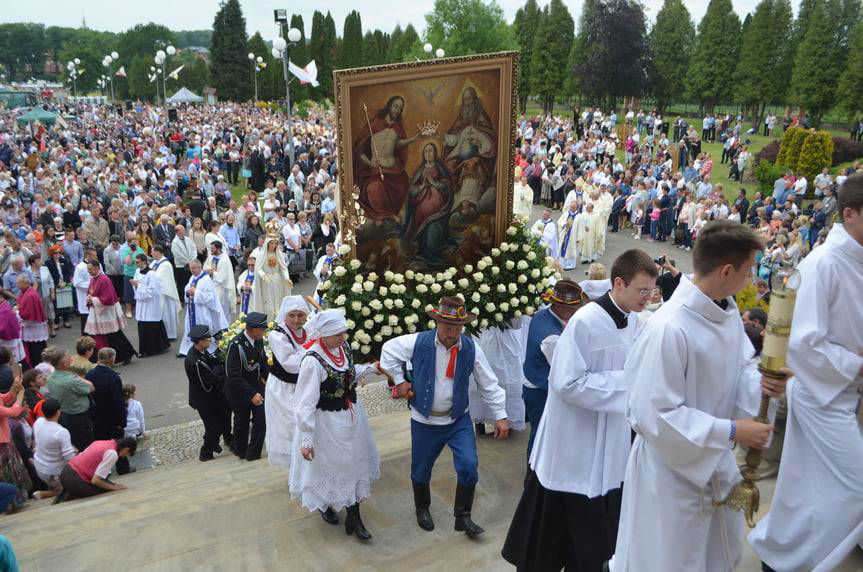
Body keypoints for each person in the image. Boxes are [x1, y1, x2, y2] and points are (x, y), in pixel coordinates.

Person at [612, 221, 789, 572]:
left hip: (714, 467)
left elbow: (740, 371)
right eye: (748, 270)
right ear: (726, 270)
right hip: (670, 478)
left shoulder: (727, 313)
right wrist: (733, 431)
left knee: (715, 558)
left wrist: (764, 385)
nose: (751, 279)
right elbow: (655, 415)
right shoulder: (669, 328)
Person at [503, 250, 658, 571]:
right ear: (619, 283)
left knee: (593, 547)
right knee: (547, 545)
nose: (648, 297)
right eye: (642, 290)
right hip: (572, 449)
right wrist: (629, 383)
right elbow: (566, 382)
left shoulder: (635, 323)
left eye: (651, 291)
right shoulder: (586, 321)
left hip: (609, 447)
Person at [749, 174, 863, 571]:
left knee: (805, 488)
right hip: (821, 395)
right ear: (850, 214)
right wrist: (859, 364)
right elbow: (806, 343)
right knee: (856, 488)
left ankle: (779, 556)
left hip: (842, 393)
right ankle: (790, 559)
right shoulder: (824, 264)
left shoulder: (856, 259)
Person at [380, 296, 509, 538]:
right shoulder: (418, 342)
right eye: (447, 327)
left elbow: (488, 383)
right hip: (425, 421)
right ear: (437, 323)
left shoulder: (471, 347)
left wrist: (500, 415)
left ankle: (463, 517)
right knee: (421, 468)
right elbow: (387, 351)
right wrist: (399, 381)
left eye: (457, 328)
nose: (452, 333)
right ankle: (422, 508)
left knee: (469, 465)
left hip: (458, 419)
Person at [289, 309, 380, 539]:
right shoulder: (312, 361)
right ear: (324, 334)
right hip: (326, 423)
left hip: (350, 417)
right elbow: (305, 403)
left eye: (343, 333)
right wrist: (307, 439)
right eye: (337, 334)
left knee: (354, 463)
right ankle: (327, 505)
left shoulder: (343, 348)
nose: (342, 338)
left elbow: (348, 374)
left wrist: (369, 368)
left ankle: (353, 516)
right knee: (330, 466)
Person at [520, 280, 587, 460]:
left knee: (540, 431)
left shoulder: (541, 315)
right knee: (540, 434)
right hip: (539, 390)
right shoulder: (551, 338)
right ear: (560, 307)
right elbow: (566, 370)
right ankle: (533, 475)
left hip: (534, 380)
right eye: (574, 309)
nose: (576, 312)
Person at [265, 296, 309, 471]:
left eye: (300, 315)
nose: (296, 319)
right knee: (288, 426)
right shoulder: (278, 335)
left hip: (303, 385)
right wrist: (312, 354)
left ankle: (307, 464)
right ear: (285, 315)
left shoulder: (309, 329)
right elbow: (290, 364)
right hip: (283, 388)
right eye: (292, 315)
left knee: (306, 424)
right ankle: (294, 467)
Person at [224, 311, 270, 461]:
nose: (264, 333)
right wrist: (251, 394)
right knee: (241, 422)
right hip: (239, 391)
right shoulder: (236, 346)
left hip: (255, 386)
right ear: (254, 330)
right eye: (263, 330)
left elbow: (262, 362)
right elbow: (233, 375)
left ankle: (254, 453)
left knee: (261, 419)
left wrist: (270, 381)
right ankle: (240, 450)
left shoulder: (258, 340)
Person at [183, 325, 232, 462]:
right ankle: (206, 453)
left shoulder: (201, 351)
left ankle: (217, 443)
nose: (210, 340)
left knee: (224, 420)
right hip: (204, 399)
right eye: (207, 338)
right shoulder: (195, 361)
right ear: (199, 341)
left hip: (212, 397)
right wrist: (226, 375)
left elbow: (212, 360)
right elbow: (209, 382)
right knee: (213, 428)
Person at [85, 348, 132, 475]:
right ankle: (123, 468)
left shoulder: (90, 374)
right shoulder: (112, 377)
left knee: (101, 445)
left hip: (97, 416)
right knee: (118, 444)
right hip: (111, 418)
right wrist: (122, 420)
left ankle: (104, 471)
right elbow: (118, 401)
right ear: (112, 359)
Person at [84, 258, 137, 365]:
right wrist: (89, 298)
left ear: (97, 268)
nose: (88, 271)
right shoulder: (93, 279)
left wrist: (92, 299)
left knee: (114, 336)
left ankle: (127, 354)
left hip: (107, 312)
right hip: (98, 312)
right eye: (88, 269)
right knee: (103, 337)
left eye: (90, 269)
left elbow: (107, 299)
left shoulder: (104, 280)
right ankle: (105, 359)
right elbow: (91, 292)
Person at [57, 437, 137, 501]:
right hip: (74, 480)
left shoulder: (100, 442)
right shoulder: (112, 453)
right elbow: (96, 480)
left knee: (106, 483)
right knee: (103, 488)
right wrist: (114, 487)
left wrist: (112, 485)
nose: (123, 456)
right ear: (127, 449)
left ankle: (71, 491)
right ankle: (73, 493)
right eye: (127, 454)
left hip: (65, 471)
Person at [46, 348, 95, 451]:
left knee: (75, 441)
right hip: (78, 417)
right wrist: (77, 376)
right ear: (64, 364)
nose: (71, 359)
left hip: (64, 414)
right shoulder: (71, 380)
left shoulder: (50, 378)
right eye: (69, 358)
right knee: (86, 445)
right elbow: (91, 387)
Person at [178, 259, 228, 357]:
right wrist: (188, 293)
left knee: (203, 329)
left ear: (199, 267)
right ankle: (188, 349)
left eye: (193, 268)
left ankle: (207, 349)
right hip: (192, 309)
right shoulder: (192, 277)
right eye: (190, 268)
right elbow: (187, 290)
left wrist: (196, 292)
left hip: (202, 311)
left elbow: (209, 297)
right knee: (189, 328)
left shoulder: (206, 279)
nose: (191, 270)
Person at [33, 398, 76, 496]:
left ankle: (56, 488)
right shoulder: (61, 432)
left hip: (39, 466)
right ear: (58, 412)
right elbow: (69, 457)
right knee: (70, 491)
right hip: (54, 471)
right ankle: (43, 494)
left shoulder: (38, 422)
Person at [0, 375, 31, 511]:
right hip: (1, 443)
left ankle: (17, 500)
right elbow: (13, 412)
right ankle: (12, 503)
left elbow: (4, 398)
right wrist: (21, 394)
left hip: (5, 438)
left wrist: (13, 389)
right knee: (7, 472)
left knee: (13, 470)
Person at [130, 254, 170, 357]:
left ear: (144, 261)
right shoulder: (137, 271)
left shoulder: (151, 274)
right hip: (141, 303)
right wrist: (136, 286)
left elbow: (152, 291)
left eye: (138, 262)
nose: (136, 264)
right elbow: (136, 286)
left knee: (151, 326)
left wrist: (138, 285)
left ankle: (154, 349)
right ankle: (144, 350)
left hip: (151, 304)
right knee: (142, 325)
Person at [251, 230, 292, 318]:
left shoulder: (279, 254)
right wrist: (263, 275)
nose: (273, 245)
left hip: (278, 280)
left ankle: (278, 318)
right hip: (267, 281)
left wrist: (287, 278)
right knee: (268, 301)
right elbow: (258, 268)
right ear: (267, 243)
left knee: (278, 299)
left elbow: (283, 268)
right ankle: (269, 319)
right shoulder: (261, 254)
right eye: (272, 243)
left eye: (275, 243)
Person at [16, 274, 49, 367]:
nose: (17, 286)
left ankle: (38, 367)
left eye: (18, 284)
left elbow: (27, 314)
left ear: (25, 283)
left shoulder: (30, 295)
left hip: (33, 328)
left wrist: (17, 313)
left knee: (36, 352)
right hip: (32, 329)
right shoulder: (25, 292)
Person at [150, 245, 180, 341]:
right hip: (158, 294)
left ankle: (170, 335)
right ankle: (162, 334)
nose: (151, 254)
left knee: (167, 315)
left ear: (158, 252)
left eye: (152, 252)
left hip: (166, 294)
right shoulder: (155, 262)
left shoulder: (165, 264)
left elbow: (158, 278)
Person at [205, 240, 235, 322]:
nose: (211, 250)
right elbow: (207, 266)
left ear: (218, 249)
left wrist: (212, 272)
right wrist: (209, 270)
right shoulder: (212, 257)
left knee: (223, 311)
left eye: (212, 248)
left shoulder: (224, 260)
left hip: (222, 288)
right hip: (213, 286)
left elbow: (221, 278)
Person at [171, 224, 196, 300]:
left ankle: (189, 296)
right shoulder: (175, 242)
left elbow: (193, 249)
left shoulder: (188, 239)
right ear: (178, 231)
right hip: (181, 266)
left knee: (189, 281)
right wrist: (187, 262)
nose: (185, 230)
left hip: (190, 264)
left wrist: (192, 260)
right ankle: (182, 298)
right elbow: (178, 254)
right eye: (183, 229)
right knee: (181, 283)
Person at [557, 202, 584, 270]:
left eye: (573, 207)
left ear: (576, 208)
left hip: (573, 237)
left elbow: (581, 228)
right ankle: (562, 264)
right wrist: (564, 224)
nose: (572, 208)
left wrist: (579, 238)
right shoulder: (566, 213)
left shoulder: (579, 216)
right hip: (565, 235)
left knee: (571, 250)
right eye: (571, 207)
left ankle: (571, 265)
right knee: (563, 248)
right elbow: (559, 221)